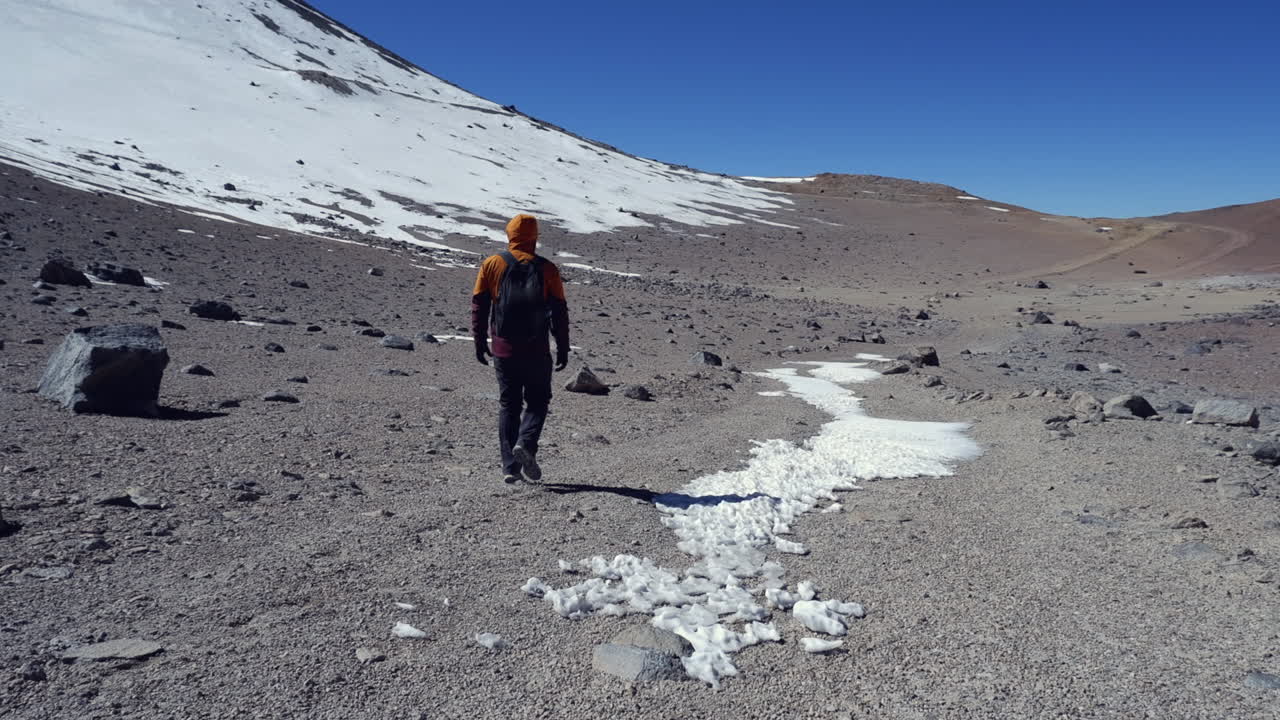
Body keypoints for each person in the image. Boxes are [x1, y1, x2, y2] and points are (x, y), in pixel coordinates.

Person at [471, 214, 571, 483]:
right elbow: (559, 311)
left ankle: (510, 468)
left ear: (509, 234)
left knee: (509, 404)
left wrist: (479, 341)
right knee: (538, 401)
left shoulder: (492, 264)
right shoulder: (547, 269)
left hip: (504, 349)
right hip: (537, 349)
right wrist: (563, 347)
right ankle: (525, 443)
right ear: (534, 237)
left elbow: (479, 305)